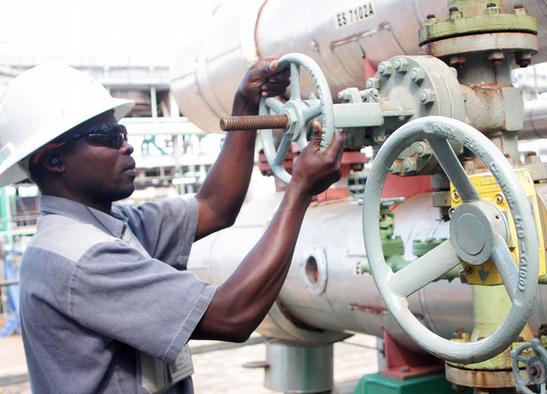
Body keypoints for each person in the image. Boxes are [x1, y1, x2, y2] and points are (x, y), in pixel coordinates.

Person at [0, 59, 344, 393]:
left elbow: (213, 207)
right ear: (54, 160)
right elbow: (232, 315)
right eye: (105, 135)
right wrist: (299, 191)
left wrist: (245, 105)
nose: (126, 144)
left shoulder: (112, 227)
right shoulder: (82, 258)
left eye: (121, 131)